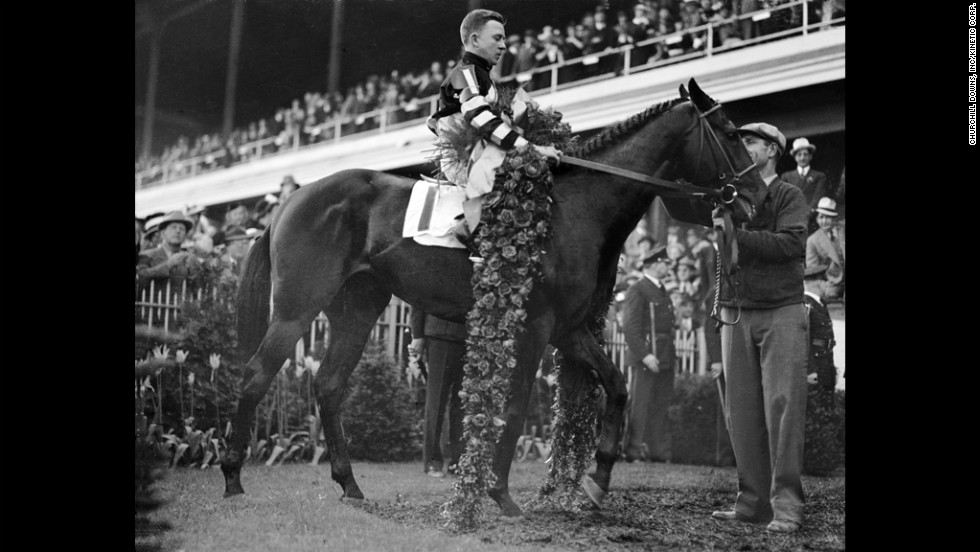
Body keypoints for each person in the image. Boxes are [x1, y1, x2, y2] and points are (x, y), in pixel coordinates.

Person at [709, 122, 809, 533]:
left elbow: (790, 244)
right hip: (737, 309)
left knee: (783, 409)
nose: (743, 147)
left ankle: (786, 506)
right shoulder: (730, 193)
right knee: (741, 412)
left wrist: (738, 235)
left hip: (781, 308)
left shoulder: (790, 194)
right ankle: (751, 501)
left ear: (771, 150)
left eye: (750, 142)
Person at [425, 9, 560, 258]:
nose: (504, 46)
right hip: (464, 158)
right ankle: (470, 227)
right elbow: (481, 118)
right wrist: (531, 148)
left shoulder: (483, 76)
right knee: (526, 168)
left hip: (481, 151)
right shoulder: (463, 74)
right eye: (497, 38)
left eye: (503, 39)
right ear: (475, 40)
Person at [621, 246, 676, 463]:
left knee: (660, 405)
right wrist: (645, 355)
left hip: (664, 356)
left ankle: (658, 452)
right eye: (665, 262)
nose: (667, 266)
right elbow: (629, 327)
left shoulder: (662, 291)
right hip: (646, 358)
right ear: (653, 265)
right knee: (640, 405)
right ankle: (633, 451)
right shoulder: (638, 289)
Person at [408, 309, 466, 477]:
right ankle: (433, 463)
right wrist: (417, 334)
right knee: (436, 401)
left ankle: (459, 463)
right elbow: (419, 296)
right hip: (439, 335)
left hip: (470, 337)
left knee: (463, 404)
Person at [136, 211, 203, 292]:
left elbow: (198, 290)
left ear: (185, 235)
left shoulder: (191, 259)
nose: (178, 231)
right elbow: (140, 278)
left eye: (182, 228)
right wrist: (168, 264)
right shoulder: (146, 256)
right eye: (173, 227)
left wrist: (197, 271)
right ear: (163, 233)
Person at [780, 137, 828, 229]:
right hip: (792, 220)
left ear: (810, 156)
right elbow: (785, 198)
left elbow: (817, 197)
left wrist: (806, 214)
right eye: (799, 154)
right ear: (795, 157)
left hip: (811, 220)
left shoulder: (819, 176)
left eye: (805, 154)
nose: (802, 158)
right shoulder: (786, 176)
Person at [805, 197, 845, 302]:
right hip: (832, 285)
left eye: (828, 217)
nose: (824, 221)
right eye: (821, 217)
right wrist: (826, 286)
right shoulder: (812, 241)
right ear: (817, 218)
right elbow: (813, 272)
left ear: (834, 218)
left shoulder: (842, 231)